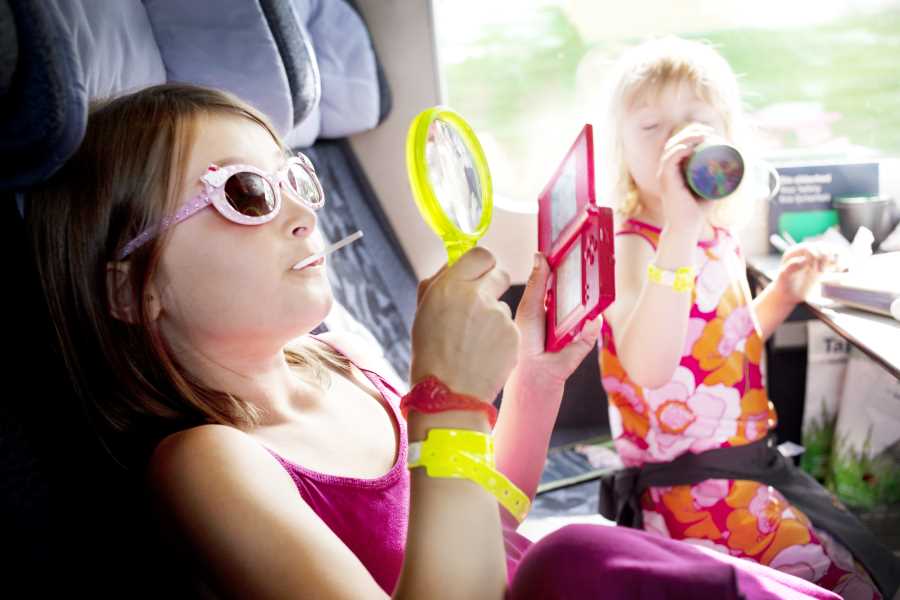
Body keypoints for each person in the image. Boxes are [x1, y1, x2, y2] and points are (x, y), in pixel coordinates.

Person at [28, 83, 840, 599]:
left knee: (580, 553)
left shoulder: (343, 364)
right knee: (577, 558)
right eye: (244, 194)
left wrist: (535, 379)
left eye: (295, 179)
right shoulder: (208, 465)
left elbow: (491, 524)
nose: (304, 213)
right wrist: (446, 404)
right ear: (132, 290)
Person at [596, 37, 899, 600]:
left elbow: (715, 348)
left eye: (696, 125)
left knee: (863, 564)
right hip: (691, 493)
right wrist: (680, 229)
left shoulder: (716, 235)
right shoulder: (630, 246)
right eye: (652, 127)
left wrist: (780, 296)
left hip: (749, 471)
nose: (676, 142)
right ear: (621, 149)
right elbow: (652, 367)